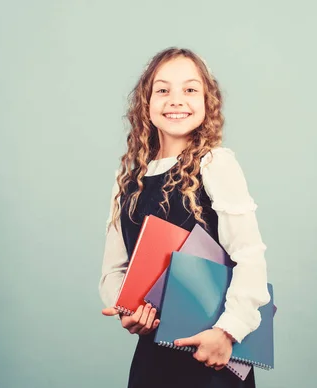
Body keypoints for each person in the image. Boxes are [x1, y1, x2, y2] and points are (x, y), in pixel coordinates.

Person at [99, 47, 270, 388]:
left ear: (207, 103)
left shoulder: (216, 164)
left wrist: (227, 332)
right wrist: (129, 311)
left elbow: (250, 258)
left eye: (190, 89)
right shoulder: (128, 181)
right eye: (163, 90)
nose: (176, 100)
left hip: (213, 355)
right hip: (154, 360)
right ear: (145, 105)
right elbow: (113, 272)